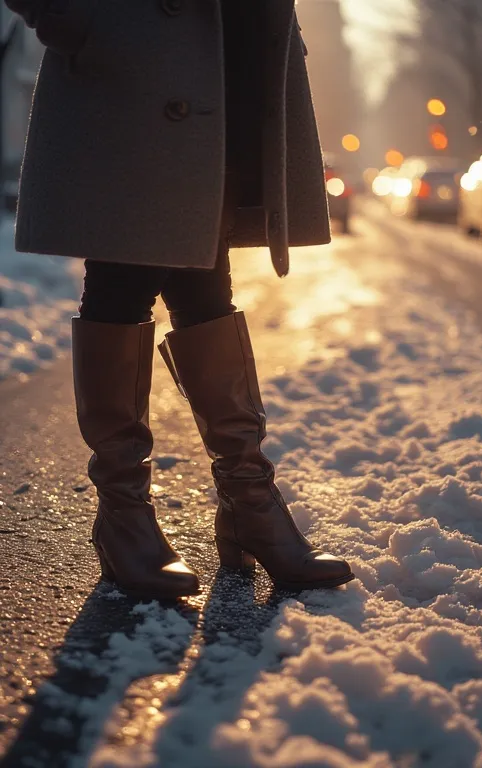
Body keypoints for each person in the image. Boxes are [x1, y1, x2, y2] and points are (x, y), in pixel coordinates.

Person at [6, 0, 354, 598]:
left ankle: (247, 501)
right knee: (125, 273)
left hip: (230, 50)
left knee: (203, 270)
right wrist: (82, 22)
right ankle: (131, 514)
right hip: (133, 63)